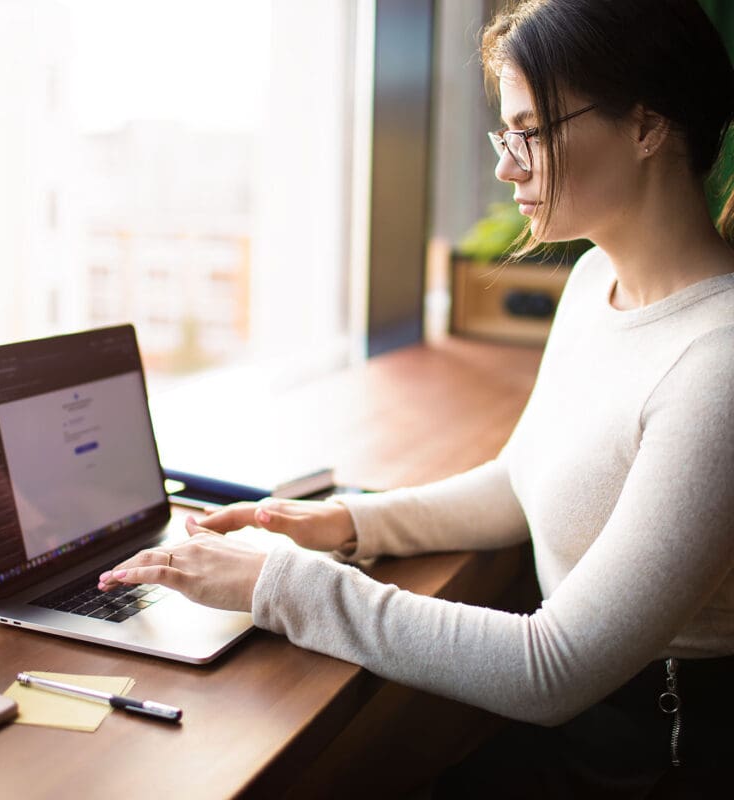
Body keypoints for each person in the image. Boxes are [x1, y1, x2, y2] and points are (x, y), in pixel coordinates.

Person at [99, 0, 734, 795]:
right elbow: (521, 478)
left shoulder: (716, 366)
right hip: (591, 732)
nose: (507, 167)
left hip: (661, 753)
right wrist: (351, 522)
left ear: (646, 127)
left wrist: (277, 585)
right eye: (506, 136)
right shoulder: (593, 280)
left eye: (531, 133)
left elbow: (552, 669)